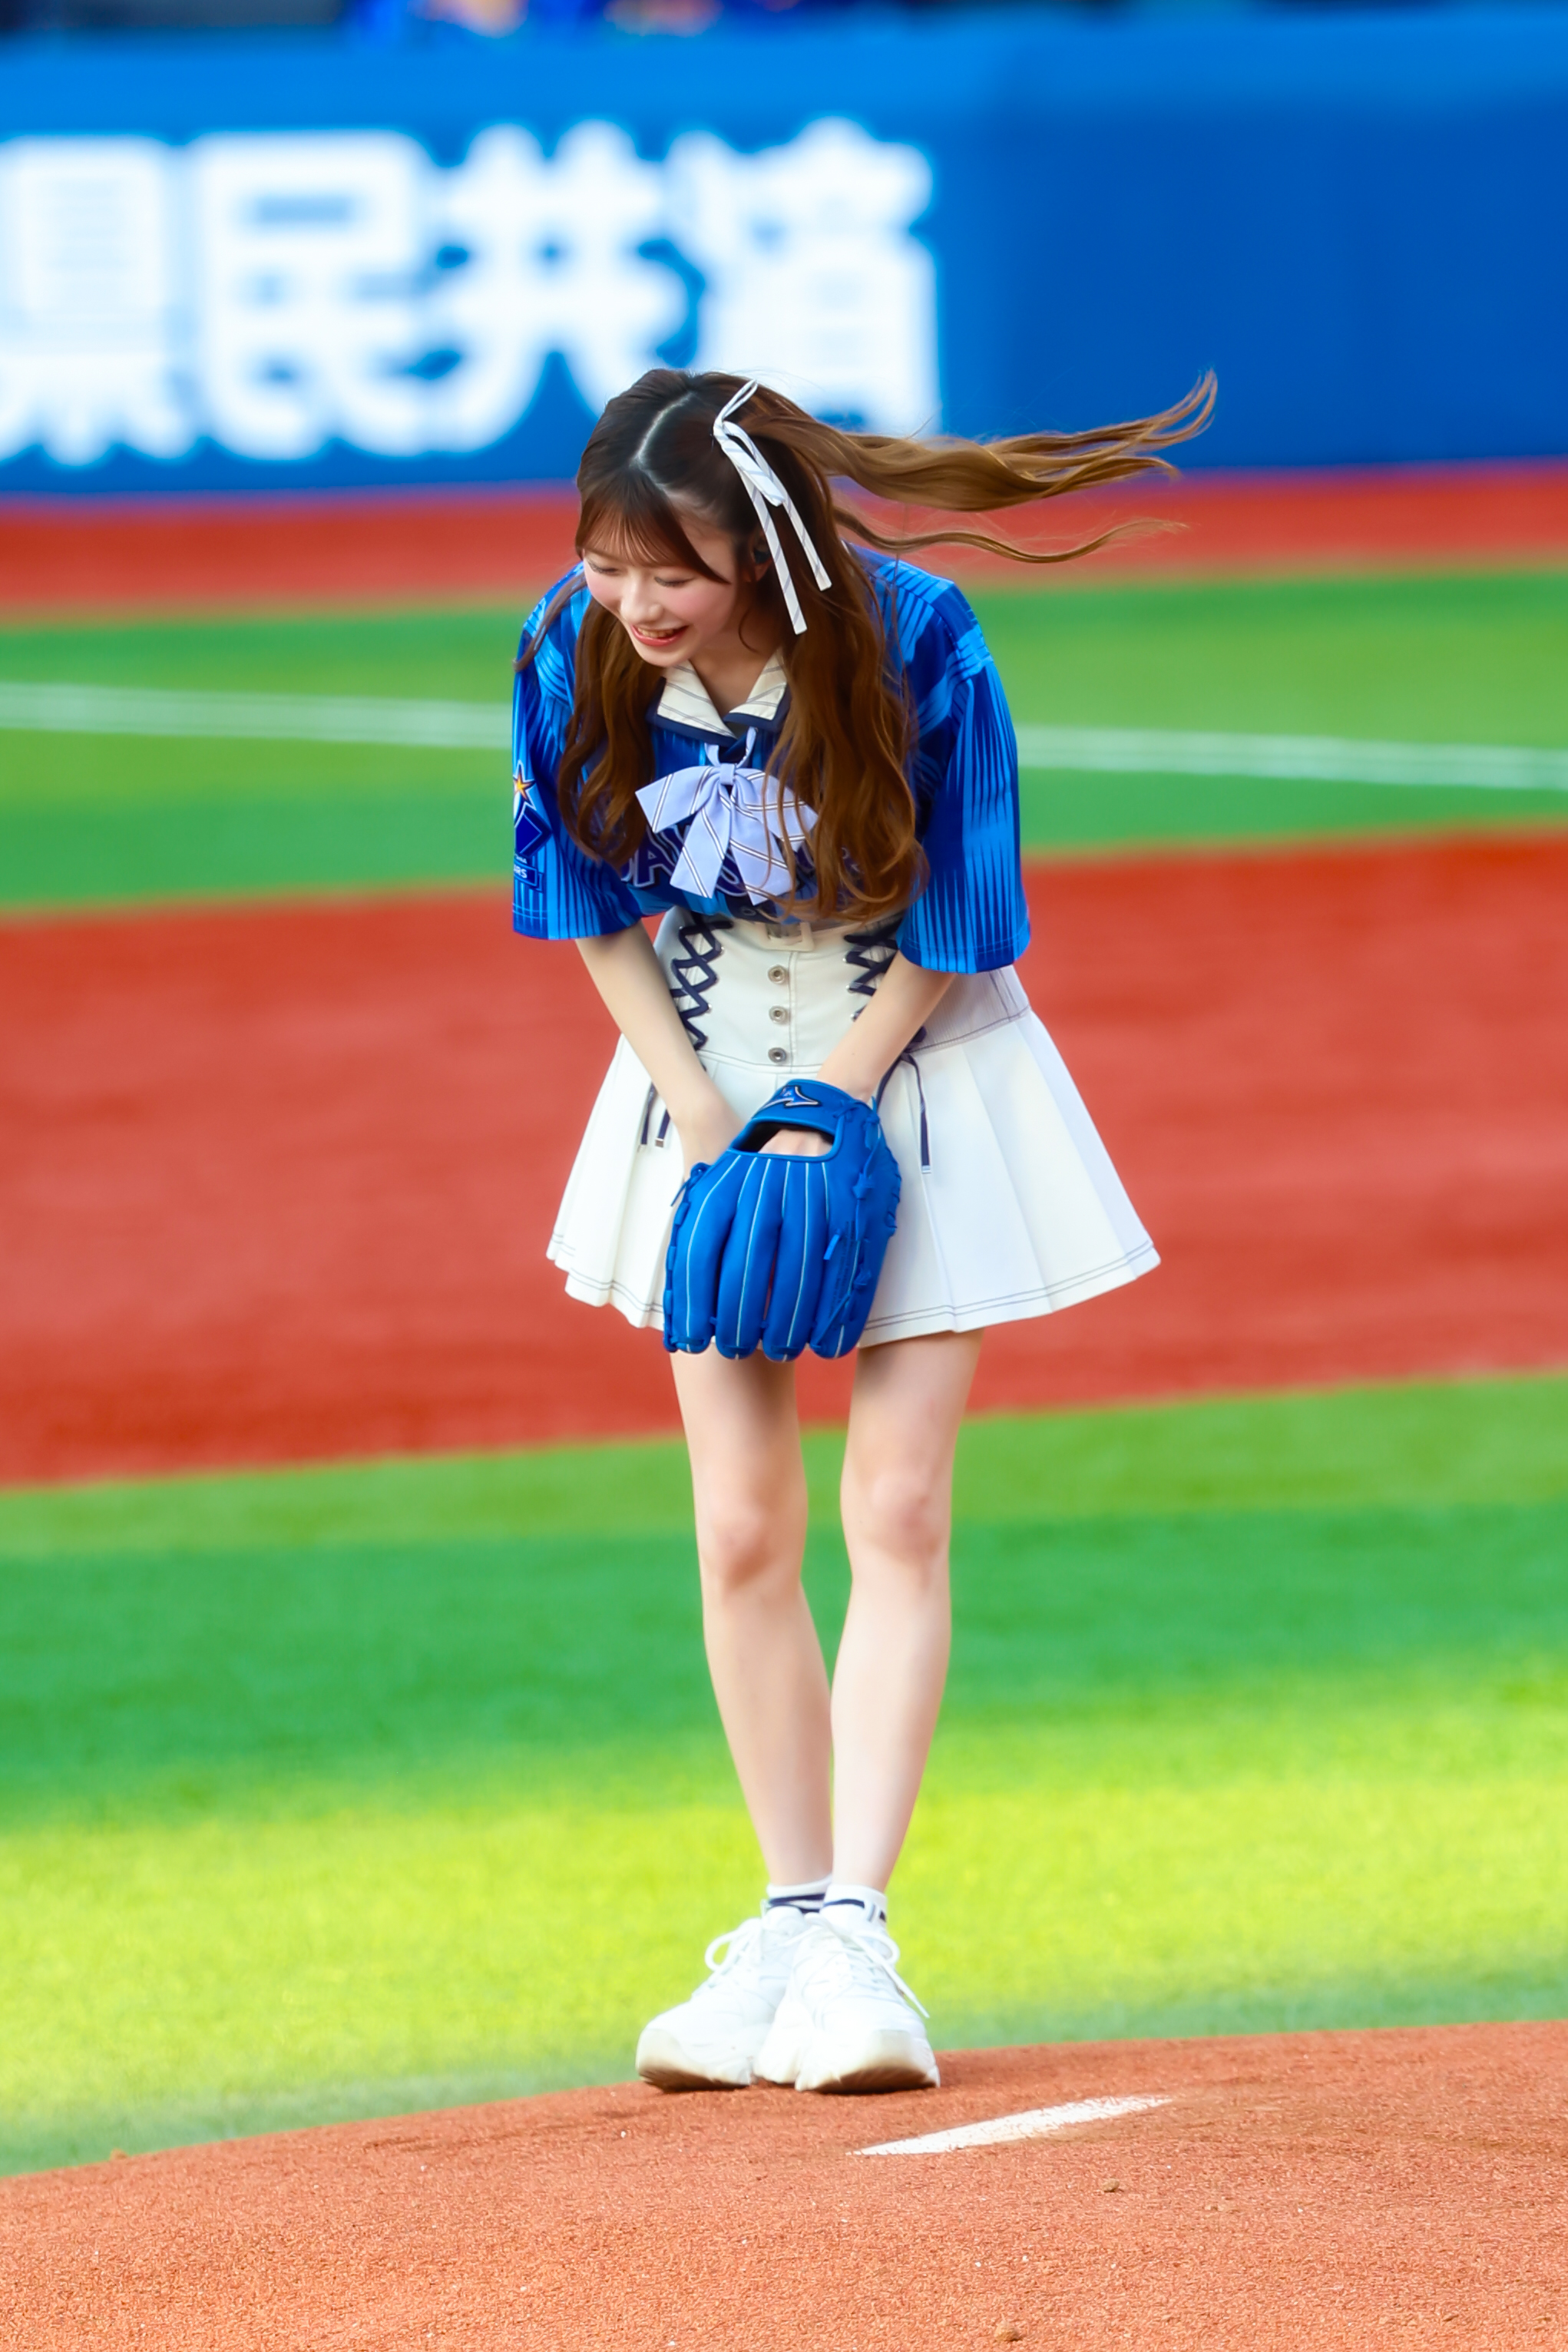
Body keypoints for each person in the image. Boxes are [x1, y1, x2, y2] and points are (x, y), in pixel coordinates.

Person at [511, 368, 1209, 2096]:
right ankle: (782, 1913)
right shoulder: (573, 646)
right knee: (741, 1526)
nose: (635, 603)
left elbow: (963, 913)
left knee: (893, 1501)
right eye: (608, 565)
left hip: (907, 1054)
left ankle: (856, 1940)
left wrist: (828, 1098)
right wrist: (695, 1108)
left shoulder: (911, 638)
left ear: (756, 546)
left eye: (669, 568)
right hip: (699, 1072)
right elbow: (584, 893)